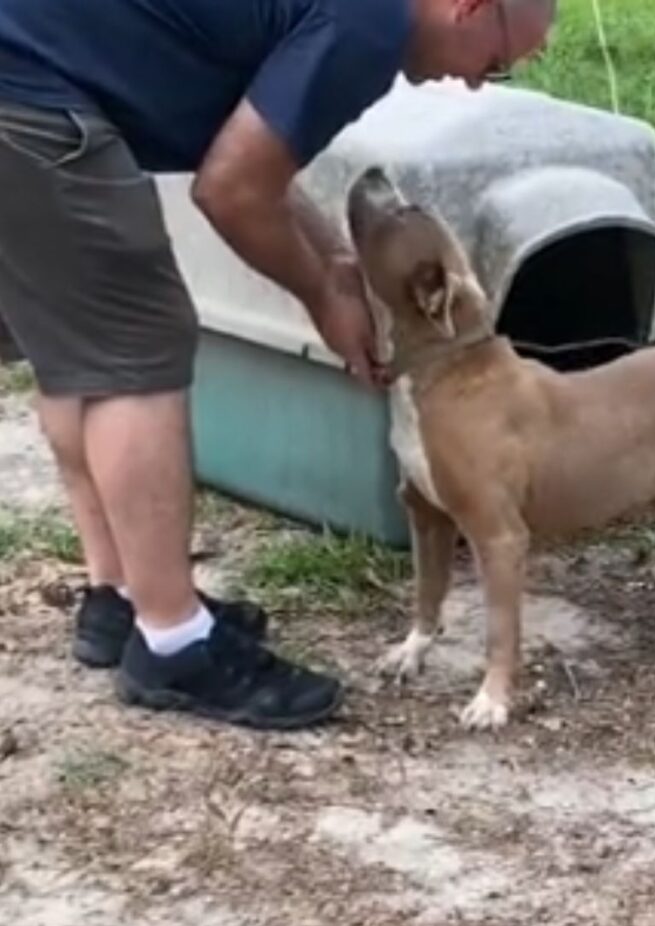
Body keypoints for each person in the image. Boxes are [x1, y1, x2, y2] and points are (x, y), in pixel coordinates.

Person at [0, 0, 555, 730]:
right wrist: (323, 297)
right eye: (496, 62)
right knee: (133, 352)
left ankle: (123, 600)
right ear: (471, 7)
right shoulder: (373, 24)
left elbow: (246, 154)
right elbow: (230, 189)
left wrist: (334, 263)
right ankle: (173, 643)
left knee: (80, 340)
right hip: (29, 90)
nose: (481, 84)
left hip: (24, 64)